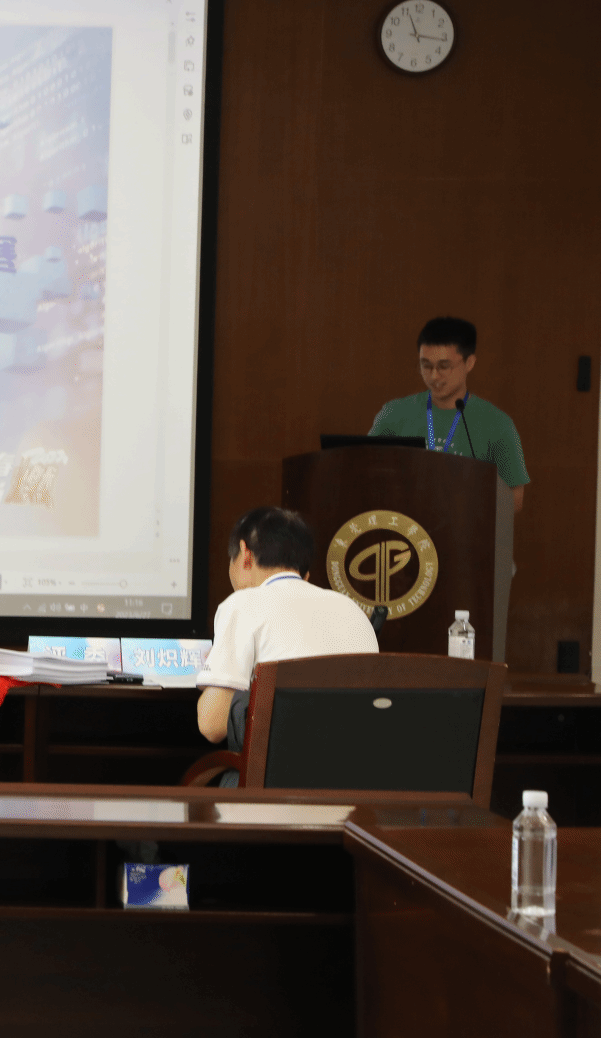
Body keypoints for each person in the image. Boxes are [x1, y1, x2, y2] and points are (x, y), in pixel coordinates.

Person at [195, 506, 379, 749]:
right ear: (305, 572)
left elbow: (212, 725)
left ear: (245, 554)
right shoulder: (353, 610)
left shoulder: (242, 603)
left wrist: (218, 665)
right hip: (355, 766)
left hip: (280, 769)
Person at [369, 316, 530, 513]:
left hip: (465, 526)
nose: (434, 376)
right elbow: (365, 471)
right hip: (404, 524)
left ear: (469, 363)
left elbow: (515, 498)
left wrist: (465, 505)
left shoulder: (497, 423)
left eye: (444, 366)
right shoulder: (393, 414)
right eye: (426, 365)